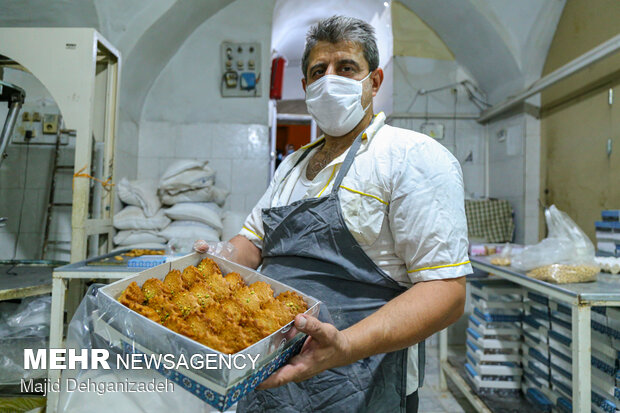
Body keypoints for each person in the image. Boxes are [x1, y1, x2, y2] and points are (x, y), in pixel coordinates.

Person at [195, 15, 471, 413]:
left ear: (374, 82)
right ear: (305, 88)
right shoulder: (291, 166)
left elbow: (446, 292)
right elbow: (252, 242)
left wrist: (344, 347)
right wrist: (218, 259)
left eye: (346, 68)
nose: (330, 79)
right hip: (272, 375)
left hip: (360, 379)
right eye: (318, 71)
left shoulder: (410, 156)